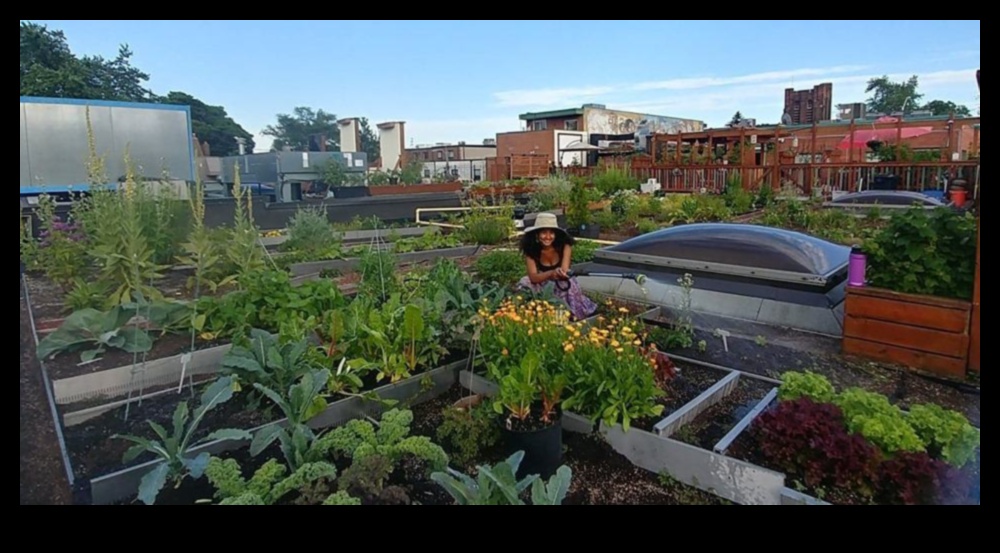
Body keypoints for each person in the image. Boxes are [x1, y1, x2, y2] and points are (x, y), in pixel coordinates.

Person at [518, 212, 598, 320]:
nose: (548, 237)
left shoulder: (565, 246)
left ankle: (569, 315)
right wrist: (550, 274)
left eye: (551, 233)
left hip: (560, 280)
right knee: (525, 282)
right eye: (544, 233)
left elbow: (564, 270)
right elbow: (533, 277)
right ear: (537, 234)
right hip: (542, 283)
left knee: (568, 285)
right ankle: (537, 314)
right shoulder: (531, 250)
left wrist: (559, 274)